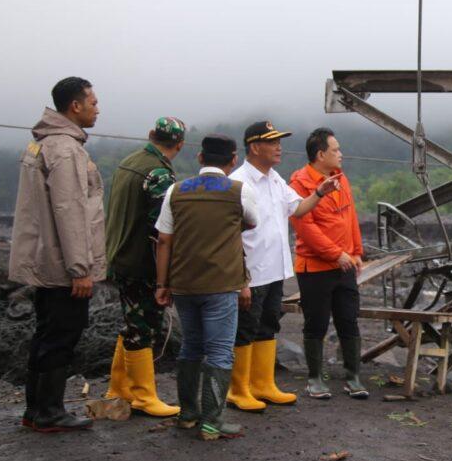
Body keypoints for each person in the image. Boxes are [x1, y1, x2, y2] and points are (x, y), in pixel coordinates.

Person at [9, 77, 104, 433]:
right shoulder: (65, 149)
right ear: (75, 106)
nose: (98, 108)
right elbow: (70, 210)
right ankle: (49, 411)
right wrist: (81, 269)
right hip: (64, 266)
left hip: (45, 260)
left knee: (47, 332)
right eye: (93, 102)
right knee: (63, 333)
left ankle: (36, 410)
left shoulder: (42, 144)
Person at [225, 120, 338, 412]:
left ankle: (263, 384)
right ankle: (239, 389)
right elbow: (229, 235)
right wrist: (240, 279)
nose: (279, 147)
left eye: (279, 141)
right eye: (272, 142)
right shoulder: (239, 182)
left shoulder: (275, 179)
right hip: (251, 270)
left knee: (268, 325)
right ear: (254, 146)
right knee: (245, 328)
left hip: (275, 269)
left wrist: (320, 193)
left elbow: (297, 208)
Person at [154, 134, 259, 441]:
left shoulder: (176, 190)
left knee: (191, 346)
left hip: (184, 284)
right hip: (221, 283)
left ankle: (187, 415)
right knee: (219, 352)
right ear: (233, 160)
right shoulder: (239, 191)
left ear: (199, 158)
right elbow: (251, 222)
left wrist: (163, 283)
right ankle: (212, 422)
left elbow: (163, 239)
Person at [103, 117, 187, 417]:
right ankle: (143, 395)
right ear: (180, 144)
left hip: (118, 253)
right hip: (141, 261)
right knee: (143, 326)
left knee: (131, 322)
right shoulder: (159, 173)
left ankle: (119, 386)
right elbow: (161, 229)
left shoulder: (129, 161)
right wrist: (167, 275)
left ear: (151, 134)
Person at [289, 127, 368, 400]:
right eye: (335, 150)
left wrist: (356, 251)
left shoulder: (340, 178)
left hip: (345, 266)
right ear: (320, 154)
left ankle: (353, 377)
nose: (340, 154)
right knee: (317, 322)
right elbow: (306, 229)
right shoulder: (299, 182)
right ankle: (314, 378)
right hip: (315, 269)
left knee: (349, 320)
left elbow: (350, 217)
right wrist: (336, 254)